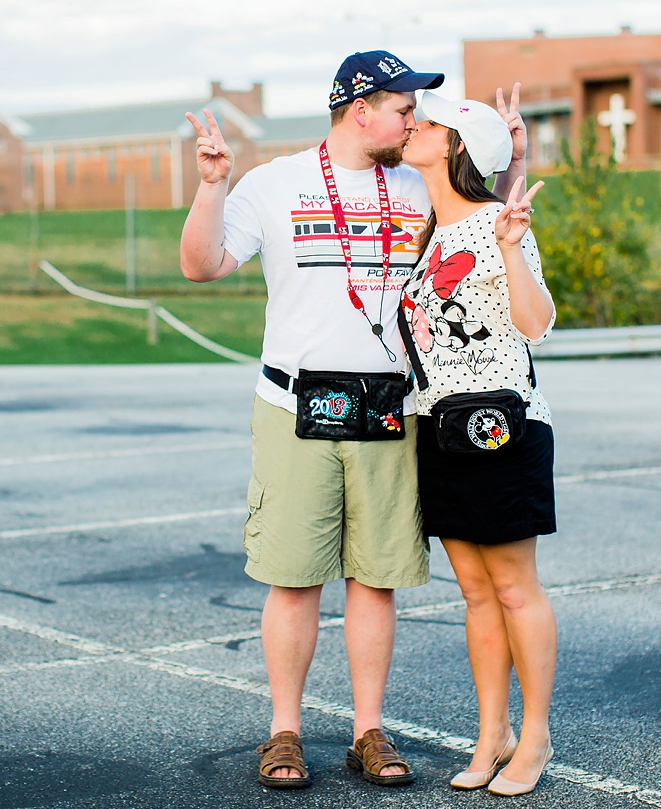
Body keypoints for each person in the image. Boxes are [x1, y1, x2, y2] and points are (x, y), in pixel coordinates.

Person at [178, 52, 526, 790]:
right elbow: (201, 264)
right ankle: (285, 732)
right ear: (357, 107)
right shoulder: (272, 184)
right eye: (404, 108)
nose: (414, 121)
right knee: (294, 577)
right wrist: (211, 188)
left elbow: (480, 224)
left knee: (375, 579)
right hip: (294, 405)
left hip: (391, 406)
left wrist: (503, 154)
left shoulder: (419, 182)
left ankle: (369, 728)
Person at [397, 86, 558, 797]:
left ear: (453, 146)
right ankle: (491, 731)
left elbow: (535, 322)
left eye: (425, 124)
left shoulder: (497, 224)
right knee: (474, 592)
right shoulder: (430, 231)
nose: (412, 128)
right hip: (437, 424)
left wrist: (513, 250)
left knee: (516, 588)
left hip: (502, 425)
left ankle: (536, 735)